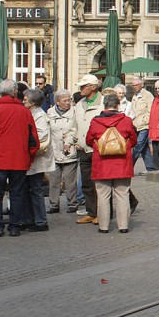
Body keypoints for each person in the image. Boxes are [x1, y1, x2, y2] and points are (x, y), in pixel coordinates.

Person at [0, 79, 38, 238]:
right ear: (14, 92)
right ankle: (14, 226)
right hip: (19, 160)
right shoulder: (25, 112)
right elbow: (34, 141)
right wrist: (29, 157)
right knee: (17, 194)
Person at [86, 93, 138, 233]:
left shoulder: (95, 122)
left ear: (104, 105)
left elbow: (89, 140)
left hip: (102, 164)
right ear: (118, 105)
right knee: (122, 194)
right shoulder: (126, 120)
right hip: (122, 163)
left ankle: (104, 226)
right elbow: (133, 140)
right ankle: (123, 226)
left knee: (103, 196)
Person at [73, 75, 105, 224]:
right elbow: (75, 125)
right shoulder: (80, 104)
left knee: (100, 184)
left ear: (93, 87)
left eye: (83, 86)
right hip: (83, 149)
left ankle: (102, 213)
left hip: (98, 149)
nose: (80, 89)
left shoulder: (103, 103)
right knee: (86, 183)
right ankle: (92, 212)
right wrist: (73, 139)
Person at [23, 88, 54, 232]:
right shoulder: (31, 113)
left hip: (37, 158)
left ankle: (41, 221)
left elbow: (40, 136)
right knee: (29, 189)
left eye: (25, 98)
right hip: (30, 158)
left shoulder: (40, 115)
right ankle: (30, 218)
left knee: (36, 190)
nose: (23, 100)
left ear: (33, 102)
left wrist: (25, 140)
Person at [46, 89, 78, 213]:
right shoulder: (49, 113)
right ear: (57, 102)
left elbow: (76, 129)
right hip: (54, 151)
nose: (68, 103)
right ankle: (54, 205)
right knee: (54, 181)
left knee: (70, 181)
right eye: (64, 100)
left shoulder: (75, 112)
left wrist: (70, 141)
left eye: (69, 100)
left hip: (70, 151)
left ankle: (72, 204)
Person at [127, 76, 156, 173]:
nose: (134, 87)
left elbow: (151, 110)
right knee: (144, 148)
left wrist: (144, 120)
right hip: (135, 126)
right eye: (133, 85)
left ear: (141, 85)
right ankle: (150, 168)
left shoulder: (147, 95)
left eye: (136, 85)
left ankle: (129, 167)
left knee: (138, 145)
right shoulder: (134, 95)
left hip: (144, 125)